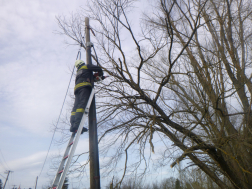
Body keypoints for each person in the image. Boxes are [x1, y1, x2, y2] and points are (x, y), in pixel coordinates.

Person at [70, 59, 104, 134]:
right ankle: (77, 124)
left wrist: (96, 77)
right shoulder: (86, 66)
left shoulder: (79, 72)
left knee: (75, 107)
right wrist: (100, 74)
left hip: (77, 89)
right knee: (82, 105)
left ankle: (73, 125)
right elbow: (98, 68)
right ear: (82, 63)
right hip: (84, 87)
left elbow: (89, 77)